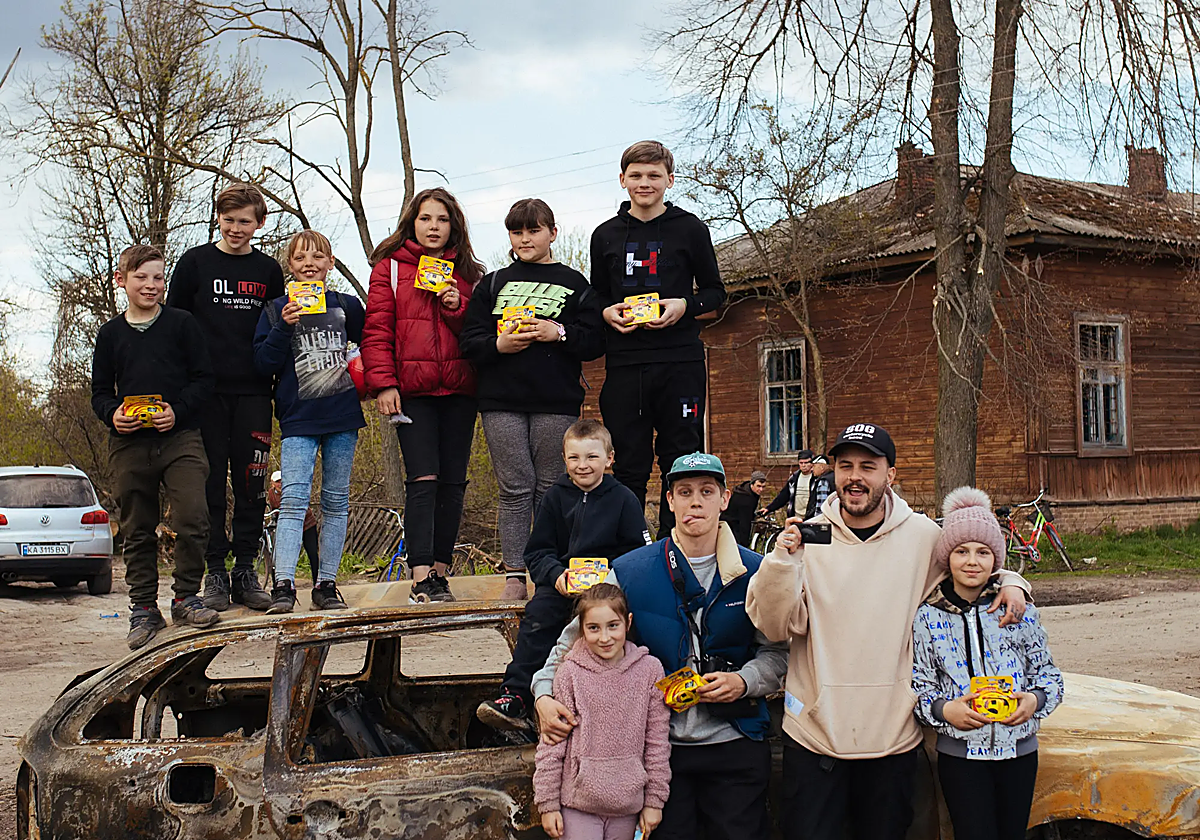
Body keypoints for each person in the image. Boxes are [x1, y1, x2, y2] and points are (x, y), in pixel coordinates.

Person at [746, 422, 1033, 840]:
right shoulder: (807, 538)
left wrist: (1011, 580)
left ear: (890, 474)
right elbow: (772, 625)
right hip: (815, 738)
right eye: (845, 466)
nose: (855, 477)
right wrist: (781, 562)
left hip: (892, 740)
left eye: (868, 466)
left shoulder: (923, 538)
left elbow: (970, 569)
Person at [534, 452, 787, 840]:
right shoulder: (631, 571)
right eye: (684, 492)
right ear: (669, 501)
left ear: (724, 499)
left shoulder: (757, 571)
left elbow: (777, 652)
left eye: (707, 491)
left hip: (736, 741)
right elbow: (573, 642)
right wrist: (542, 694)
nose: (695, 502)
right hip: (658, 749)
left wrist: (745, 681)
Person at [459, 198, 606, 601]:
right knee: (514, 487)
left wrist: (558, 333)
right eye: (517, 231)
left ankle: (547, 572)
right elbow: (469, 341)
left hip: (555, 400)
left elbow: (595, 340)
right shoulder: (492, 284)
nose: (525, 238)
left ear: (552, 233)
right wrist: (499, 344)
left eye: (534, 230)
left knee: (550, 487)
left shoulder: (575, 283)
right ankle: (513, 572)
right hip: (500, 400)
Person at [476, 419, 650, 730]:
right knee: (538, 618)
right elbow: (537, 552)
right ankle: (516, 695)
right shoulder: (554, 497)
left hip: (608, 590)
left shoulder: (624, 499)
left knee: (625, 624)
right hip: (561, 585)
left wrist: (610, 578)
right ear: (564, 459)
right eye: (574, 457)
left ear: (609, 458)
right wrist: (556, 575)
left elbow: (638, 554)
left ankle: (624, 700)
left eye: (592, 457)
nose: (583, 465)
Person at [590, 141, 726, 538]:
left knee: (681, 460)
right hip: (625, 364)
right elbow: (597, 295)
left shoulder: (690, 228)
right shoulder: (605, 235)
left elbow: (715, 292)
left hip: (680, 363)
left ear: (670, 180)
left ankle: (678, 548)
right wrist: (606, 312)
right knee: (629, 464)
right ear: (622, 180)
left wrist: (685, 305)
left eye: (654, 175)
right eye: (636, 175)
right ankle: (630, 552)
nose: (644, 183)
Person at [912, 487, 1063, 840]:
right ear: (947, 557)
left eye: (982, 552)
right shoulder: (927, 617)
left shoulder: (1019, 612)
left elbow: (1048, 674)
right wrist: (944, 710)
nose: (972, 561)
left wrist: (1035, 700)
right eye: (961, 551)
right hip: (961, 756)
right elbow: (920, 685)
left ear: (996, 559)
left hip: (1019, 752)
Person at [91, 245, 219, 649]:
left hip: (180, 437)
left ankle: (186, 598)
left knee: (193, 517)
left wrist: (177, 412)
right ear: (121, 280)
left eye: (158, 277)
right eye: (141, 277)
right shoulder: (110, 334)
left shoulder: (182, 324)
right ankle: (144, 608)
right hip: (129, 443)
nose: (151, 285)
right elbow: (99, 392)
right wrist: (112, 414)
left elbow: (204, 379)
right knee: (136, 528)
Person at [361, 187, 485, 604]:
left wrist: (456, 305)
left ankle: (440, 575)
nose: (434, 227)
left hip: (460, 390)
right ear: (412, 222)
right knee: (423, 479)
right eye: (426, 218)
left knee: (452, 482)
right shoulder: (390, 269)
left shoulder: (470, 273)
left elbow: (479, 335)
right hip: (412, 391)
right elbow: (376, 330)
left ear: (454, 226)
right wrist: (384, 383)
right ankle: (419, 577)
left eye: (442, 219)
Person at [168, 182, 284, 613]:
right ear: (218, 218)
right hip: (205, 395)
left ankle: (245, 571)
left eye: (245, 222)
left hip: (254, 392)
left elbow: (278, 331)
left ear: (260, 223)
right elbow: (173, 326)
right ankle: (215, 571)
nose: (236, 229)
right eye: (229, 220)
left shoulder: (269, 271)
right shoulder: (194, 263)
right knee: (210, 485)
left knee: (252, 486)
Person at [253, 230, 365, 613]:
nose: (309, 264)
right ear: (290, 265)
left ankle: (326, 584)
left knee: (336, 501)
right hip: (298, 419)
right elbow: (263, 364)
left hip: (342, 416)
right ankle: (283, 585)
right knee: (293, 501)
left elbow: (369, 347)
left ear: (330, 263)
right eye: (301, 258)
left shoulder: (348, 306)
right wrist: (284, 326)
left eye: (318, 257)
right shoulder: (275, 310)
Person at [533, 583, 671, 840]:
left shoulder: (650, 671)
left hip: (628, 804)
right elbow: (552, 744)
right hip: (578, 804)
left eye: (613, 626)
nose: (605, 638)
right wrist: (547, 804)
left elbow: (657, 741)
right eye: (594, 628)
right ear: (581, 629)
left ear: (628, 623)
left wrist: (655, 800)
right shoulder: (569, 673)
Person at [266, 471, 320, 576]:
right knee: (285, 553)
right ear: (272, 483)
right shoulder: (271, 494)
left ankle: (317, 580)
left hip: (306, 524)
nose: (280, 484)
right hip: (288, 526)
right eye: (277, 482)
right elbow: (274, 509)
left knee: (312, 553)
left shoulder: (292, 491)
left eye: (282, 481)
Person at [759, 449, 813, 520]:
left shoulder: (816, 479)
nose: (803, 465)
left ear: (811, 463)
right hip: (795, 516)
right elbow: (783, 496)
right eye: (801, 463)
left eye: (806, 463)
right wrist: (769, 508)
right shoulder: (793, 479)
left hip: (811, 518)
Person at [722, 470, 766, 547]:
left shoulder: (748, 491)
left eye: (763, 487)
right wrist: (744, 543)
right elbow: (745, 522)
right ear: (752, 484)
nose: (761, 489)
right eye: (758, 486)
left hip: (733, 523)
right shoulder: (745, 498)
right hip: (731, 525)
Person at [804, 455, 835, 520]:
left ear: (822, 467)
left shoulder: (823, 481)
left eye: (814, 466)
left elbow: (821, 507)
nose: (812, 469)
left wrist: (816, 521)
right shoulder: (833, 477)